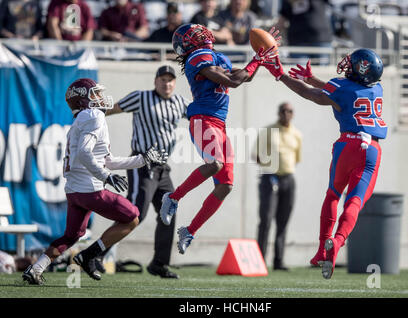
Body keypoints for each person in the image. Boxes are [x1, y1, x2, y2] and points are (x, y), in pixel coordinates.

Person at [22, 78, 167, 285]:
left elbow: (107, 160)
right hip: (89, 189)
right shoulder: (93, 115)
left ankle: (36, 269)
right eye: (95, 94)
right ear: (83, 100)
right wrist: (105, 176)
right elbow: (84, 153)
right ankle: (89, 255)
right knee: (132, 216)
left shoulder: (82, 119)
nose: (100, 98)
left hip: (74, 192)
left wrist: (142, 159)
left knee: (71, 236)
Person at [263, 48, 387, 279]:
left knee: (333, 195)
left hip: (346, 145)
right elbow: (341, 92)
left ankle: (322, 249)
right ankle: (337, 243)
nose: (347, 65)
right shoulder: (376, 88)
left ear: (361, 69)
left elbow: (312, 94)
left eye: (352, 64)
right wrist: (312, 78)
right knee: (355, 202)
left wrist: (281, 75)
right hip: (371, 150)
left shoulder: (342, 86)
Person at [159, 23, 279, 255]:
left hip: (219, 124)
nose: (197, 35)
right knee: (214, 164)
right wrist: (256, 59)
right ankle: (173, 198)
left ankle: (189, 230)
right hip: (203, 118)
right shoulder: (197, 57)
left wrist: (261, 58)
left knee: (225, 186)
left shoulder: (214, 57)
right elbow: (234, 81)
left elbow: (245, 77)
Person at [104, 65, 190, 279]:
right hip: (142, 164)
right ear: (155, 81)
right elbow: (113, 109)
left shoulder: (179, 102)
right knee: (135, 214)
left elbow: (199, 115)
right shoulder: (141, 98)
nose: (166, 83)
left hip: (163, 168)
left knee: (168, 212)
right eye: (163, 79)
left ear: (175, 83)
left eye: (170, 80)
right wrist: (89, 115)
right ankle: (97, 253)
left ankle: (159, 263)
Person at [254, 102, 302, 271]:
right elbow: (256, 156)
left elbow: (296, 159)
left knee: (283, 221)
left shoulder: (296, 134)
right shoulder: (268, 131)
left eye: (290, 111)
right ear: (279, 113)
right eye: (283, 111)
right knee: (266, 220)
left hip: (288, 179)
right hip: (270, 178)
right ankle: (259, 260)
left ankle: (278, 261)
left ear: (293, 114)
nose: (286, 114)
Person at [276, 0, 333, 64]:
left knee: (322, 72)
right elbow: (281, 22)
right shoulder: (286, 2)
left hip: (320, 39)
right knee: (300, 72)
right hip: (298, 41)